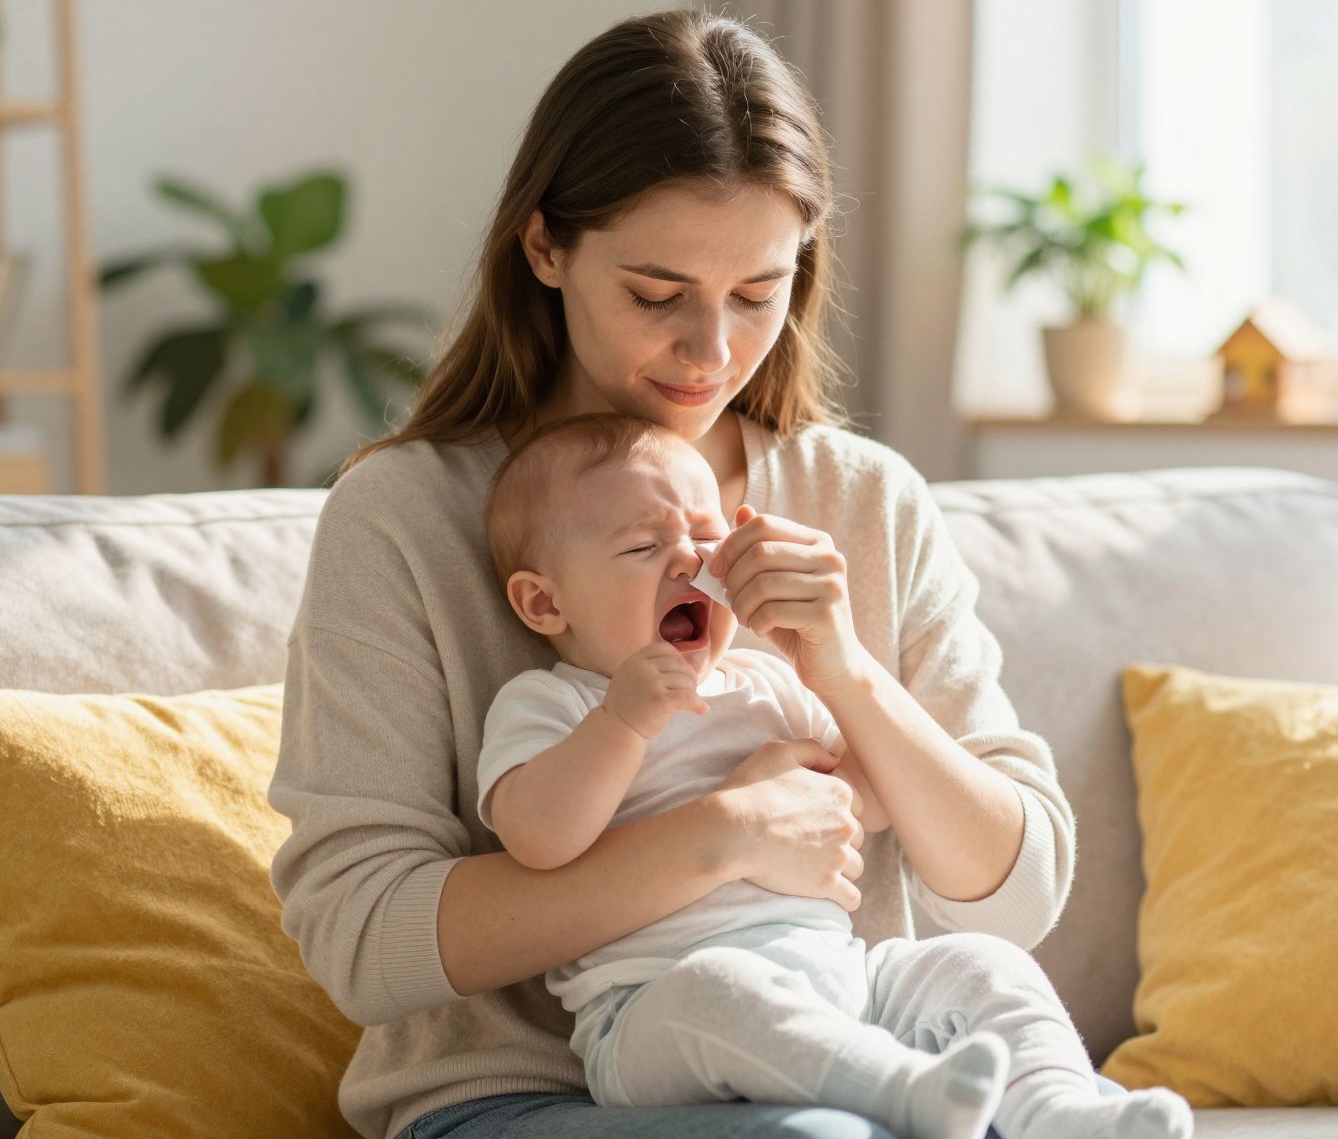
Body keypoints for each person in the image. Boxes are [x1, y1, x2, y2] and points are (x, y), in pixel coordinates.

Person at [268, 7, 1108, 1139]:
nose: (710, 350)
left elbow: (1013, 893)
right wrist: (722, 835)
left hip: (859, 1051)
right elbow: (364, 943)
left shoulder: (864, 500)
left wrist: (849, 672)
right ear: (544, 247)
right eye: (657, 294)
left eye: (757, 294)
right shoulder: (404, 518)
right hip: (513, 1099)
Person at [473, 412, 1191, 1139]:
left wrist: (838, 669)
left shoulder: (765, 682)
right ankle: (905, 1092)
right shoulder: (552, 705)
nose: (689, 561)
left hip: (842, 975)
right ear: (544, 601)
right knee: (721, 994)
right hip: (652, 1010)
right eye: (642, 545)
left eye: (706, 535)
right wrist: (623, 724)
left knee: (981, 965)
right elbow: (539, 840)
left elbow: (872, 800)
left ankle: (1064, 1113)